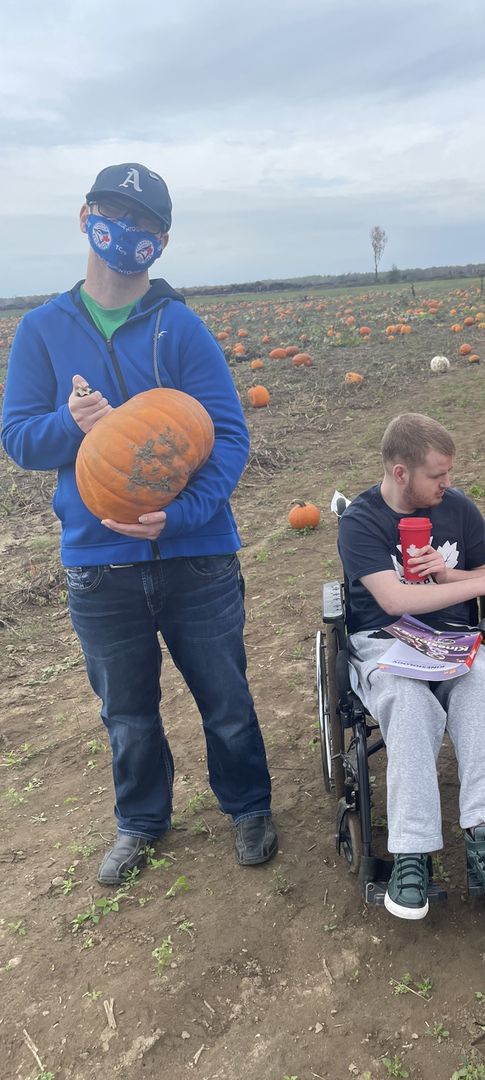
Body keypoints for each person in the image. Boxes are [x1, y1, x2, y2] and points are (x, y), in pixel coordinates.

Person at [1, 163, 277, 885]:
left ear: (163, 242)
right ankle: (142, 821)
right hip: (98, 564)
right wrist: (72, 425)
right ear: (85, 216)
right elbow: (19, 439)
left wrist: (179, 516)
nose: (129, 232)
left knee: (225, 697)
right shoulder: (42, 330)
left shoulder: (179, 327)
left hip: (197, 555)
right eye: (116, 214)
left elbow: (228, 435)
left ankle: (248, 805)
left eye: (146, 224)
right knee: (126, 712)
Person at [337, 413, 485, 921]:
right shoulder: (360, 521)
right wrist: (477, 583)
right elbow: (395, 599)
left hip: (453, 638)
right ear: (401, 472)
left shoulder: (458, 507)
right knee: (408, 703)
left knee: (480, 685)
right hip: (386, 640)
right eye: (437, 475)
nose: (448, 483)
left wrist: (449, 574)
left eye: (449, 474)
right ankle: (412, 850)